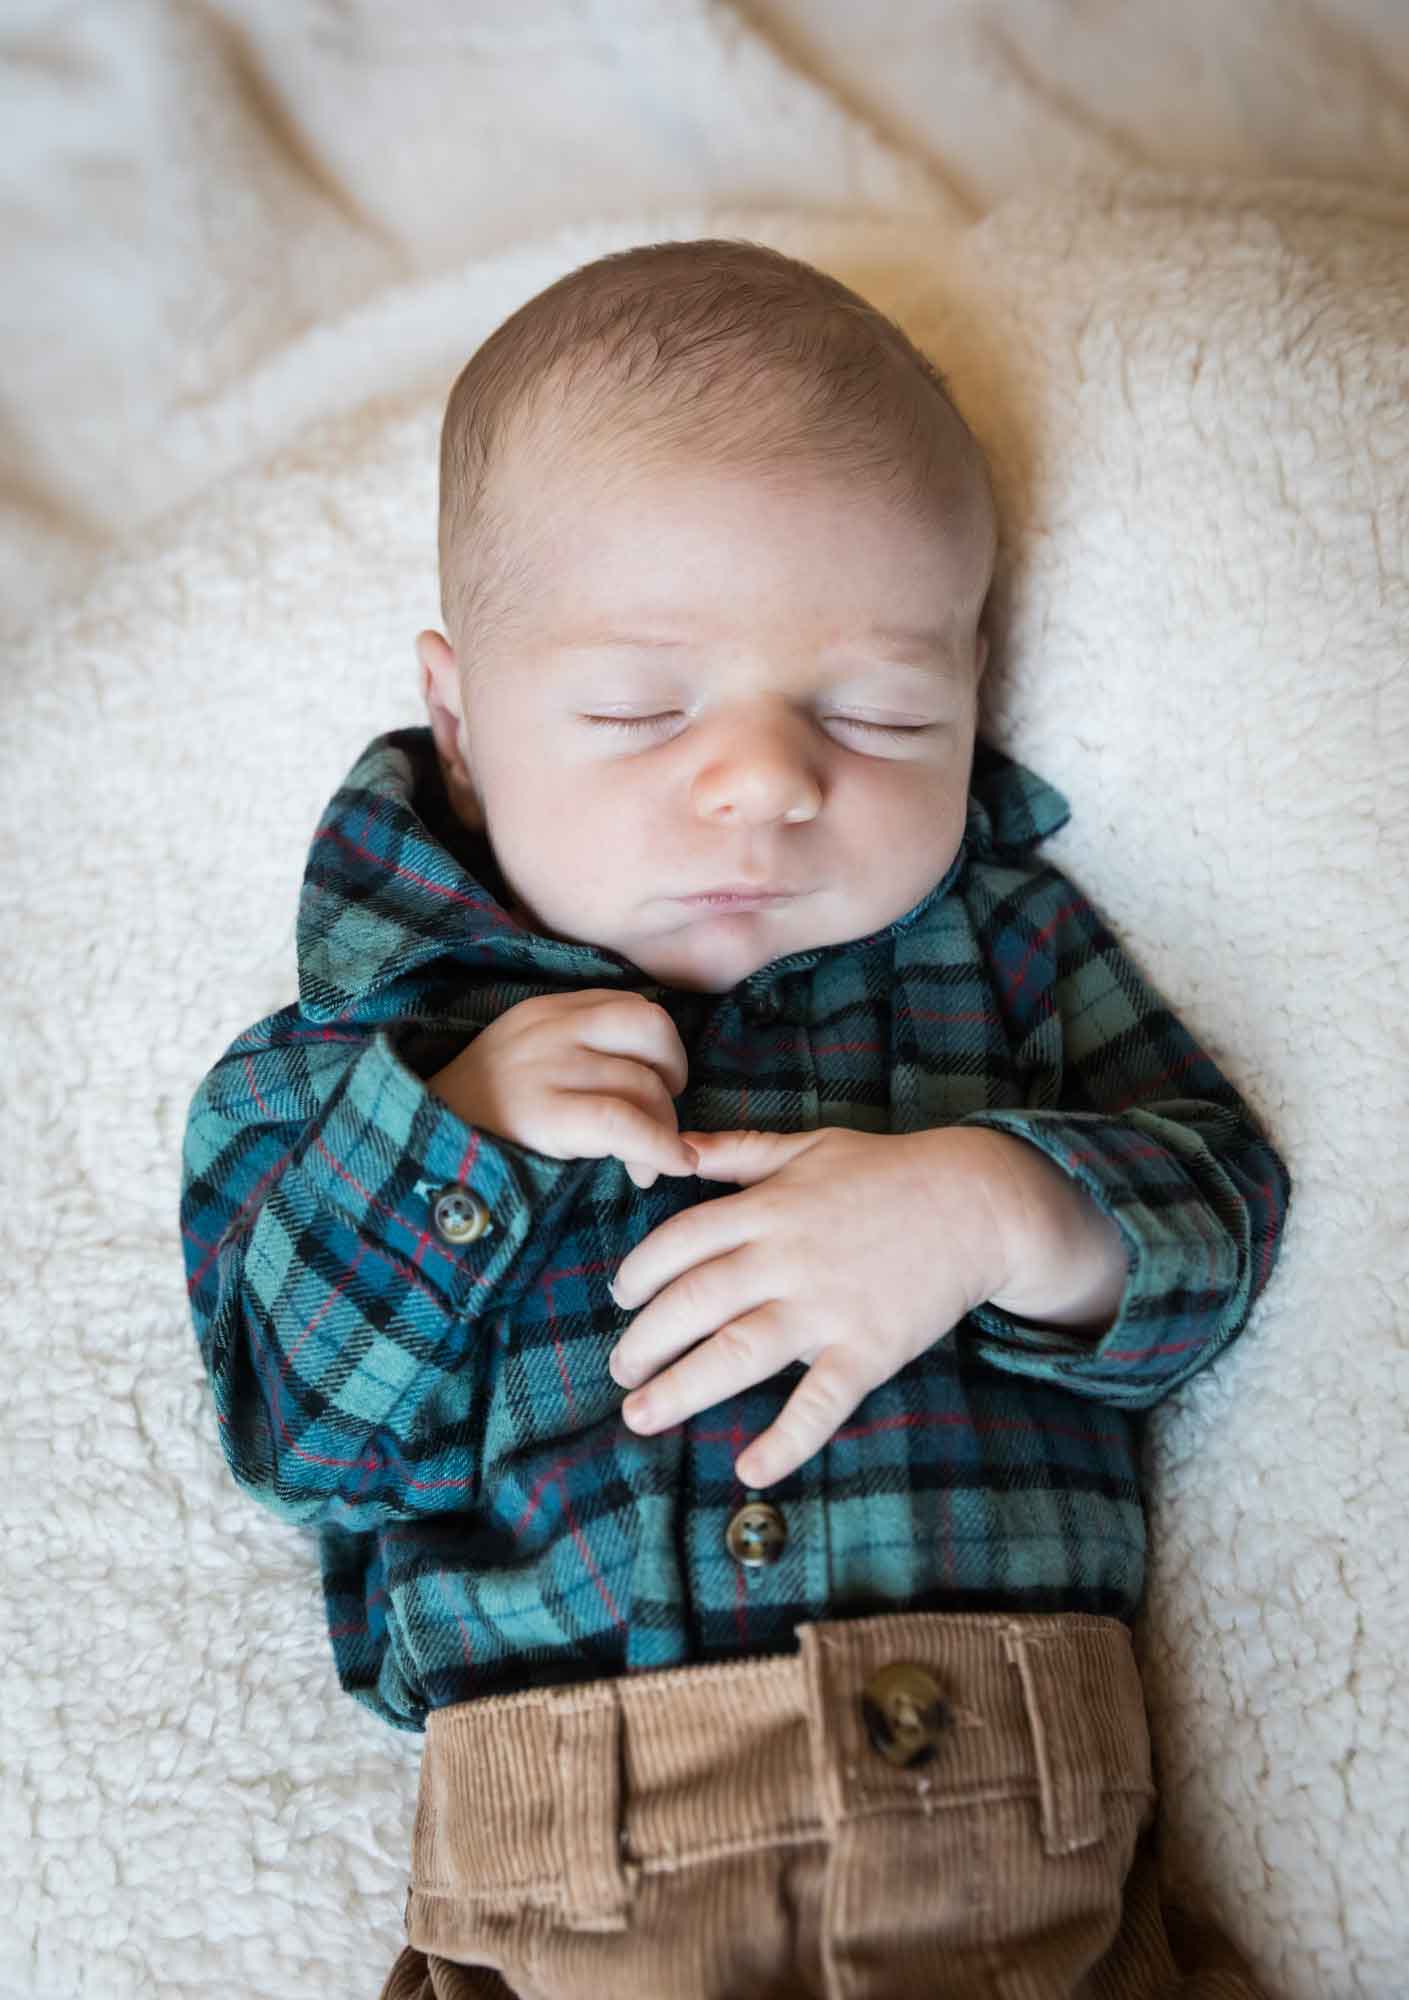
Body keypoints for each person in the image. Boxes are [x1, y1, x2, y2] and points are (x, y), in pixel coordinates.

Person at [178, 238, 1292, 1998]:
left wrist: (996, 1210)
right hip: (563, 1898)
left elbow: (1218, 1219)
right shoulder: (343, 1066)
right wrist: (458, 1134)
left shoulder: (1001, 951)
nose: (771, 783)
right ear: (462, 726)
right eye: (638, 708)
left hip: (1023, 1851)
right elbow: (295, 1430)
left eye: (877, 710)